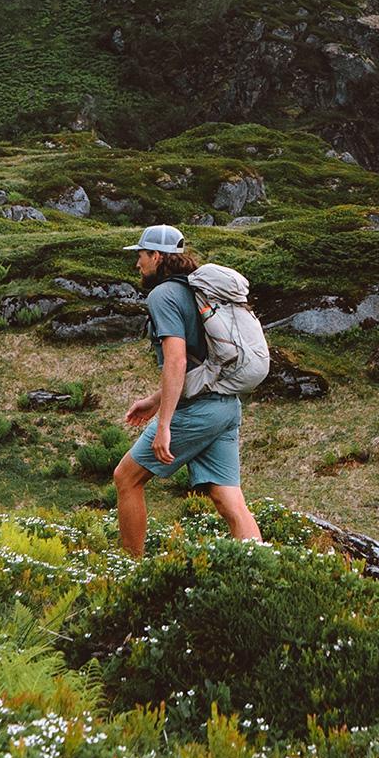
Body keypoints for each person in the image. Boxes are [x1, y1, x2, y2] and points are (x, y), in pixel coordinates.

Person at [112, 224, 260, 556]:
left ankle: (129, 569)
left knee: (126, 478)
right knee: (229, 500)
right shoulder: (196, 291)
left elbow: (177, 362)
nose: (138, 264)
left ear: (157, 256)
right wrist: (154, 401)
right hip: (225, 406)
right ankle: (259, 570)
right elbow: (200, 364)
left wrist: (163, 425)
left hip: (197, 410)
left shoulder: (163, 295)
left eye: (141, 256)